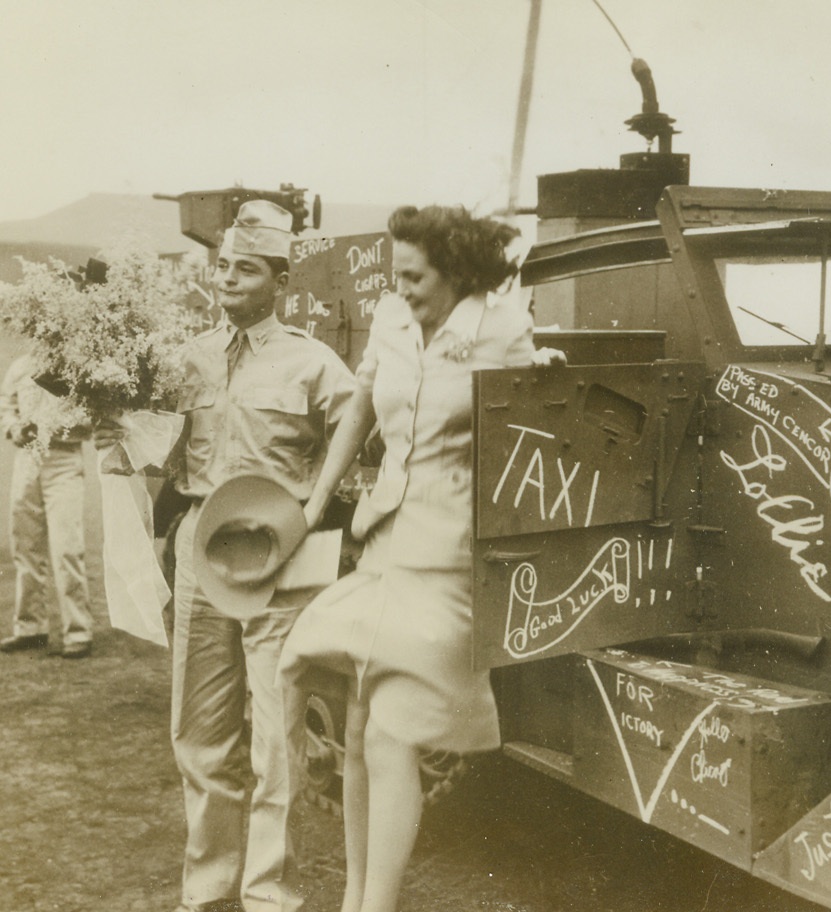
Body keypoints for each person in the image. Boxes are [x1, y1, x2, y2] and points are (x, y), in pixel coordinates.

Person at [278, 204, 563, 912]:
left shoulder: (500, 326)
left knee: (395, 729)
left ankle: (373, 907)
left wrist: (545, 369)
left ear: (457, 272)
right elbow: (363, 404)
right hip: (385, 539)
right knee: (358, 722)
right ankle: (357, 895)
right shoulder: (391, 319)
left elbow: (532, 404)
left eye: (414, 274)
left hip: (451, 554)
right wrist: (316, 507)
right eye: (397, 272)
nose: (401, 286)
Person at [99, 200, 355, 912]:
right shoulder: (187, 360)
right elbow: (161, 452)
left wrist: (314, 505)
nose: (229, 280)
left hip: (280, 558)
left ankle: (270, 895)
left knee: (278, 736)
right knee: (199, 731)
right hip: (202, 554)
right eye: (223, 267)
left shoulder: (312, 359)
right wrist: (112, 431)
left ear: (280, 278)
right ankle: (206, 894)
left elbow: (357, 415)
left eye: (247, 269)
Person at [0, 352, 94, 658]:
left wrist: (53, 425)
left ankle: (78, 630)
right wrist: (16, 428)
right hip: (28, 458)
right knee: (25, 544)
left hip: (64, 458)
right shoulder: (20, 366)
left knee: (67, 546)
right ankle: (30, 628)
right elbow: (7, 406)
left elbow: (91, 416)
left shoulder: (75, 366)